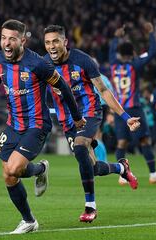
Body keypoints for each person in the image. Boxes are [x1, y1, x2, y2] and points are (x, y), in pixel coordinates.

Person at [0, 19, 85, 234]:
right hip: (13, 125)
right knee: (8, 175)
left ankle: (40, 169)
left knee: (13, 168)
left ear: (23, 40)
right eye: (3, 38)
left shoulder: (38, 64)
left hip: (37, 125)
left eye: (12, 38)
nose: (6, 43)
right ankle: (29, 219)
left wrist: (76, 118)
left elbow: (64, 88)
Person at [43, 25, 140, 223]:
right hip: (67, 120)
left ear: (65, 42)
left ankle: (90, 207)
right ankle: (122, 168)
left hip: (90, 112)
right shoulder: (43, 65)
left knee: (80, 146)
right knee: (93, 167)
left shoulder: (82, 60)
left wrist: (125, 116)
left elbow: (103, 90)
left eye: (55, 41)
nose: (51, 46)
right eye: (47, 42)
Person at [109, 23, 156, 184]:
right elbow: (153, 52)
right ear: (133, 53)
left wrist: (116, 37)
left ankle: (122, 176)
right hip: (134, 107)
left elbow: (112, 49)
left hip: (119, 109)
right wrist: (151, 33)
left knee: (121, 142)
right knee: (144, 140)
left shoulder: (113, 63)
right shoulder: (135, 64)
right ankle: (153, 173)